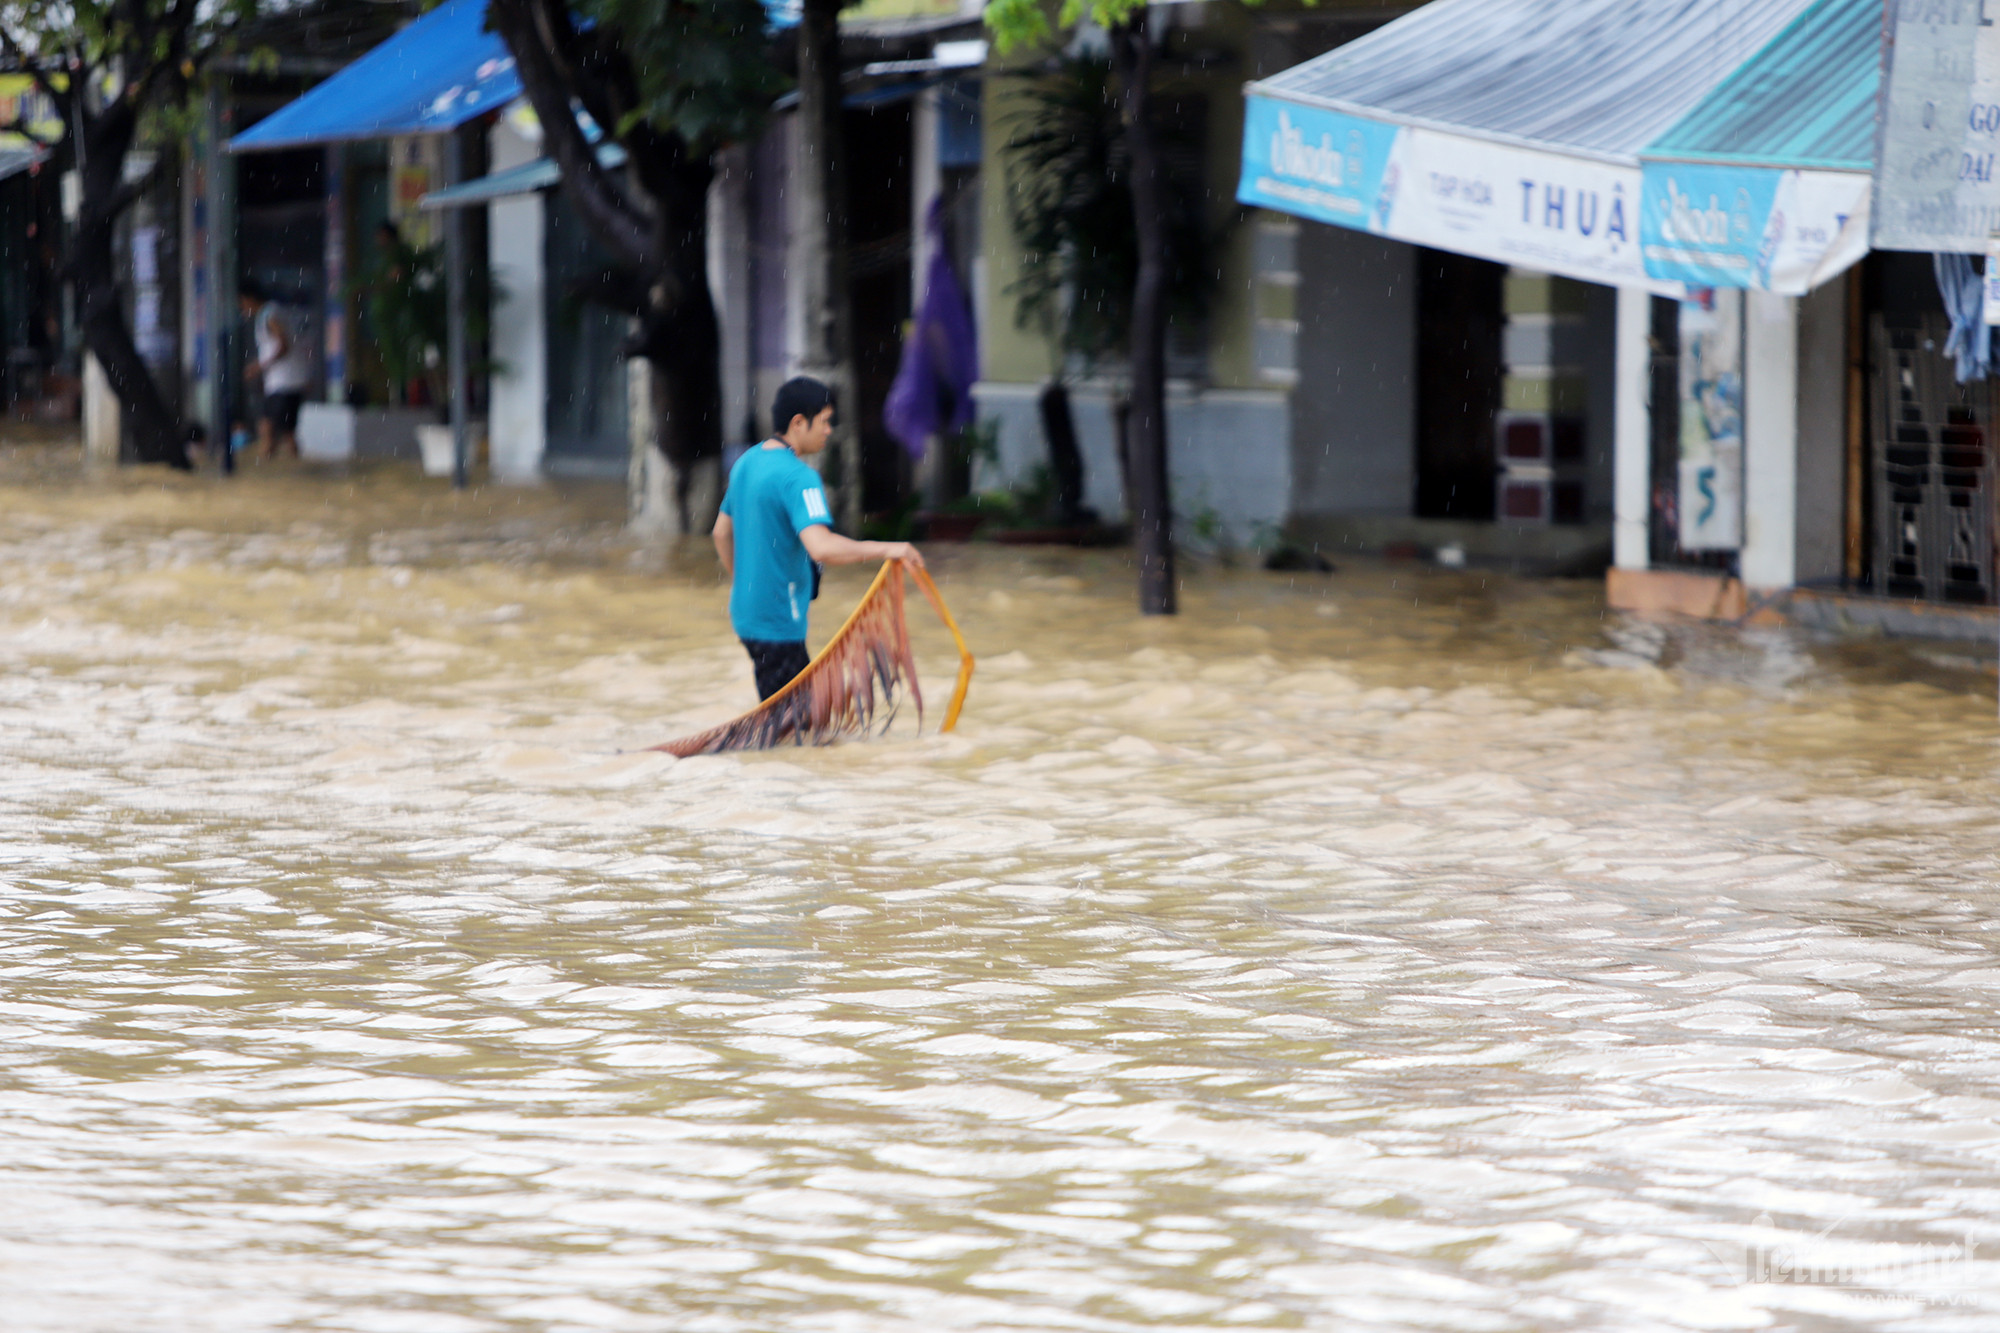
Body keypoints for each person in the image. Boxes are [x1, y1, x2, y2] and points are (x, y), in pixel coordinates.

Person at [712, 376, 925, 701]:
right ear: (799, 423)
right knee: (800, 729)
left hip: (746, 615)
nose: (829, 431)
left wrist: (745, 584)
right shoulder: (800, 477)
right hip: (778, 624)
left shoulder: (746, 462)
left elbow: (721, 533)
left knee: (789, 719)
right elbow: (821, 547)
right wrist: (890, 548)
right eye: (825, 422)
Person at [239, 281, 312, 460]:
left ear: (249, 299)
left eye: (241, 302)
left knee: (270, 428)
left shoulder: (270, 315)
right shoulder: (270, 313)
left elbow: (283, 345)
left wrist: (259, 367)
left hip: (286, 382)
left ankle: (269, 466)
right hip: (284, 381)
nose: (241, 308)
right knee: (282, 430)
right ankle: (284, 467)